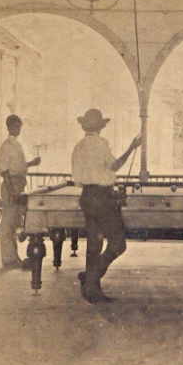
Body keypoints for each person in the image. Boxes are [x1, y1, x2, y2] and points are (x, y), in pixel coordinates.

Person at [71, 108, 142, 303]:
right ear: (100, 127)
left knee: (94, 244)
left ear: (86, 126)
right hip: (102, 198)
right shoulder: (101, 144)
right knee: (118, 244)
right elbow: (115, 166)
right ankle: (90, 279)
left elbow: (78, 178)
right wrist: (132, 147)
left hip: (87, 196)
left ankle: (91, 285)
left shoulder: (78, 146)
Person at [0, 115, 41, 270]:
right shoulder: (7, 145)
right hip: (11, 186)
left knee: (14, 222)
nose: (17, 129)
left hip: (18, 185)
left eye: (19, 127)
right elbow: (4, 171)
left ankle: (13, 257)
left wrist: (32, 164)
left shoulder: (15, 145)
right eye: (15, 127)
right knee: (8, 223)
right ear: (9, 127)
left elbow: (17, 166)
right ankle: (8, 259)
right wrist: (12, 191)